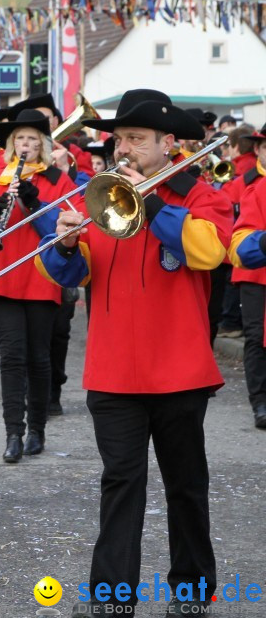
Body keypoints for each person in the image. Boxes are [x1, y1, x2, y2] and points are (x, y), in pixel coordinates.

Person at [39, 89, 230, 615]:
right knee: (121, 482)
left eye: (136, 139)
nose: (123, 149)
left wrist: (150, 199)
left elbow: (209, 251)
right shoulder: (97, 195)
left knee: (186, 486)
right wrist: (63, 244)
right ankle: (113, 594)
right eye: (119, 139)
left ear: (168, 143)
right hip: (113, 369)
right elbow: (69, 278)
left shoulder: (199, 194)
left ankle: (191, 590)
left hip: (180, 368)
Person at [0, 110, 81, 462]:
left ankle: (37, 428)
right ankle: (13, 433)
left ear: (43, 145)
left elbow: (64, 231)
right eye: (19, 139)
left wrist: (35, 202)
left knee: (39, 357)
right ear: (11, 145)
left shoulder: (58, 180)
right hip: (3, 272)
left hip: (42, 274)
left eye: (32, 140)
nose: (25, 145)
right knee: (11, 357)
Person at [226, 129, 266, 429]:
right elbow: (245, 236)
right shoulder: (255, 188)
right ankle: (260, 402)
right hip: (256, 273)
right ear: (259, 150)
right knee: (256, 338)